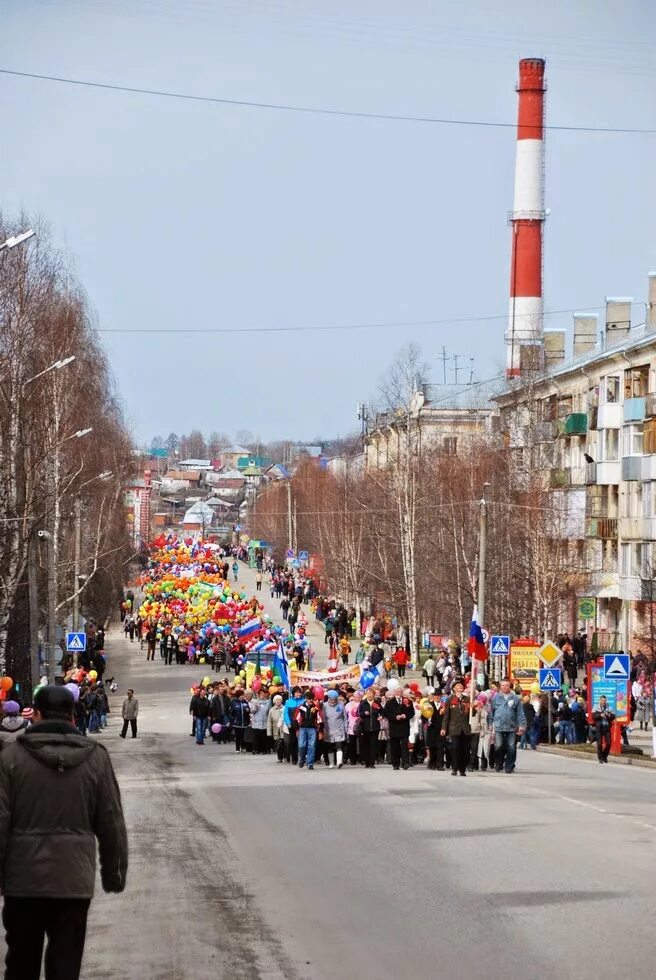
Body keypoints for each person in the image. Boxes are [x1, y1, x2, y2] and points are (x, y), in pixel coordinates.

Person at [0, 685, 128, 980]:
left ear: (37, 715)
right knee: (66, 965)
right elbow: (111, 820)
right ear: (72, 716)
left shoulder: (10, 758)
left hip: (23, 882)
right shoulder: (96, 757)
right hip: (73, 881)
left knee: (21, 963)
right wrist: (113, 872)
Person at [490, 678, 526, 774]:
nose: (505, 687)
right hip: (498, 726)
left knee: (511, 747)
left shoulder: (515, 699)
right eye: (503, 685)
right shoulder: (495, 698)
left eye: (507, 685)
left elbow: (520, 713)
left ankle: (509, 766)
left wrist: (522, 725)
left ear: (510, 686)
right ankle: (498, 763)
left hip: (511, 727)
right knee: (498, 747)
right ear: (500, 687)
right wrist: (490, 724)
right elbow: (491, 713)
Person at [440, 679, 471, 776]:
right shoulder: (450, 699)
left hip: (465, 729)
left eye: (461, 685)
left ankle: (462, 769)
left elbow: (471, 714)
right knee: (455, 748)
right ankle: (454, 768)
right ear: (454, 688)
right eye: (458, 685)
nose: (460, 686)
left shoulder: (467, 699)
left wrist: (473, 708)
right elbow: (446, 715)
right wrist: (444, 728)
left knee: (465, 750)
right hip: (454, 728)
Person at [383, 688, 415, 770]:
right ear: (394, 692)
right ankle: (395, 763)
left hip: (404, 727)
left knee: (405, 746)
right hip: (394, 727)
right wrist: (394, 717)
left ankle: (405, 763)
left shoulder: (407, 701)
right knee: (395, 747)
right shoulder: (389, 702)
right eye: (397, 691)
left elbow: (412, 712)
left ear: (402, 693)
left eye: (400, 692)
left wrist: (406, 716)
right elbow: (386, 713)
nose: (398, 693)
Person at [295, 690, 323, 771]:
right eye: (309, 698)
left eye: (312, 698)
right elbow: (296, 719)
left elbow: (320, 720)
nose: (311, 700)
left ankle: (310, 763)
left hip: (313, 729)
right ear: (306, 699)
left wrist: (320, 731)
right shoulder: (301, 707)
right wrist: (297, 730)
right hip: (302, 729)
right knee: (301, 745)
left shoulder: (316, 708)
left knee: (311, 746)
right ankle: (302, 759)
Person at [322, 689, 347, 768]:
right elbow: (323, 717)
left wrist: (345, 727)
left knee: (339, 745)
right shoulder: (324, 705)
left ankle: (339, 762)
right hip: (328, 728)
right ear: (328, 698)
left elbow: (344, 717)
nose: (333, 701)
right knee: (330, 746)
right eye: (331, 699)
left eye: (334, 699)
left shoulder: (341, 704)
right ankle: (331, 763)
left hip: (339, 727)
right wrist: (324, 728)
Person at [357, 687, 382, 768]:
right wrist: (364, 713)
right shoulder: (363, 703)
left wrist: (381, 716)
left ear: (374, 694)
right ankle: (367, 762)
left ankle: (372, 763)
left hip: (375, 727)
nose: (369, 695)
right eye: (368, 693)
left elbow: (382, 712)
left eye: (371, 693)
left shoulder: (377, 702)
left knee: (373, 745)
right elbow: (359, 713)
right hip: (365, 727)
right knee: (366, 745)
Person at [592, 696, 616, 763]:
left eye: (605, 700)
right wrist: (600, 715)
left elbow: (613, 716)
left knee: (608, 743)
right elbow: (593, 716)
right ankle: (600, 758)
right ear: (600, 700)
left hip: (606, 727)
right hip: (599, 728)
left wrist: (608, 715)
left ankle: (604, 756)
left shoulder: (609, 707)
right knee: (599, 744)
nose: (603, 702)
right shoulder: (596, 707)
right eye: (602, 700)